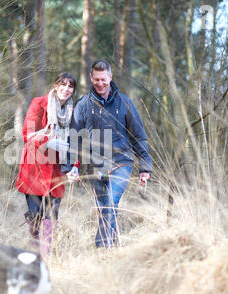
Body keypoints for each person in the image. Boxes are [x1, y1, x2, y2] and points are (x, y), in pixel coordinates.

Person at [66, 60, 152, 248]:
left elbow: (138, 135)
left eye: (103, 79)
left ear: (110, 77)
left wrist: (145, 167)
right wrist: (72, 166)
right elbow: (74, 138)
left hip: (121, 161)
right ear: (91, 78)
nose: (100, 83)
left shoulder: (124, 103)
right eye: (96, 79)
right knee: (104, 207)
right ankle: (112, 248)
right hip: (94, 165)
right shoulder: (83, 105)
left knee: (111, 202)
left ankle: (102, 248)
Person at [15, 72, 78, 259]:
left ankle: (46, 258)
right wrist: (47, 142)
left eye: (70, 86)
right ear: (55, 86)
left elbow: (75, 142)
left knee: (51, 217)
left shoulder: (73, 111)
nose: (66, 89)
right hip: (34, 168)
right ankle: (34, 254)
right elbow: (27, 133)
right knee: (35, 217)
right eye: (63, 85)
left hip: (56, 171)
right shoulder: (39, 103)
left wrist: (75, 166)